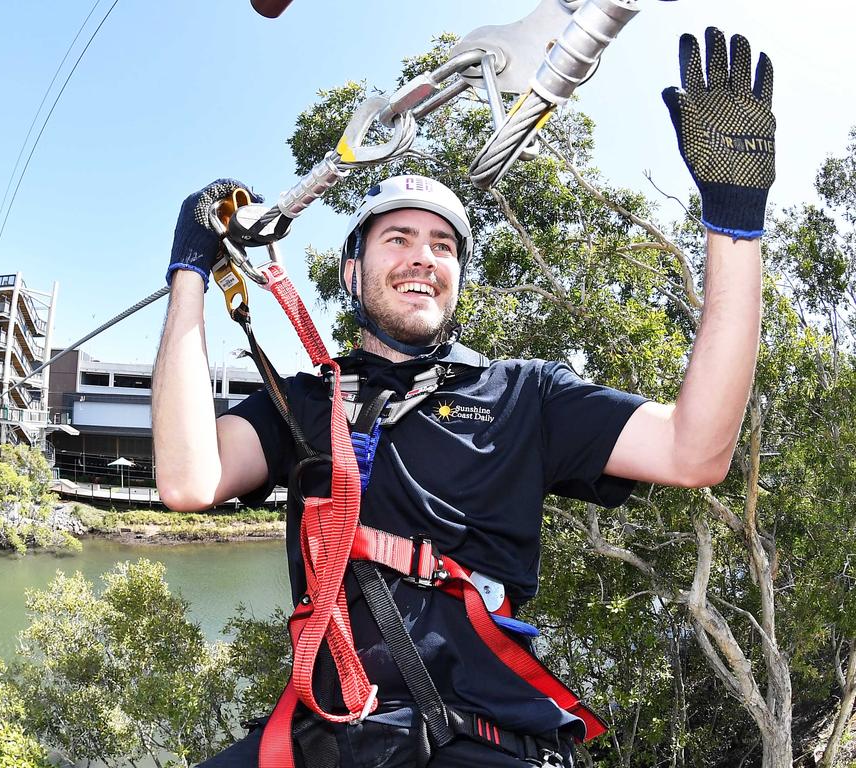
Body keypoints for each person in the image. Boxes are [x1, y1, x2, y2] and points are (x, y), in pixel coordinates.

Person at [152, 27, 774, 768]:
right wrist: (191, 274)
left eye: (443, 246)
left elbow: (695, 450)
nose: (423, 255)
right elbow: (189, 480)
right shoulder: (304, 403)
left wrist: (733, 225)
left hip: (481, 740)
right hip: (327, 737)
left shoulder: (525, 396)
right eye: (398, 238)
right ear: (352, 274)